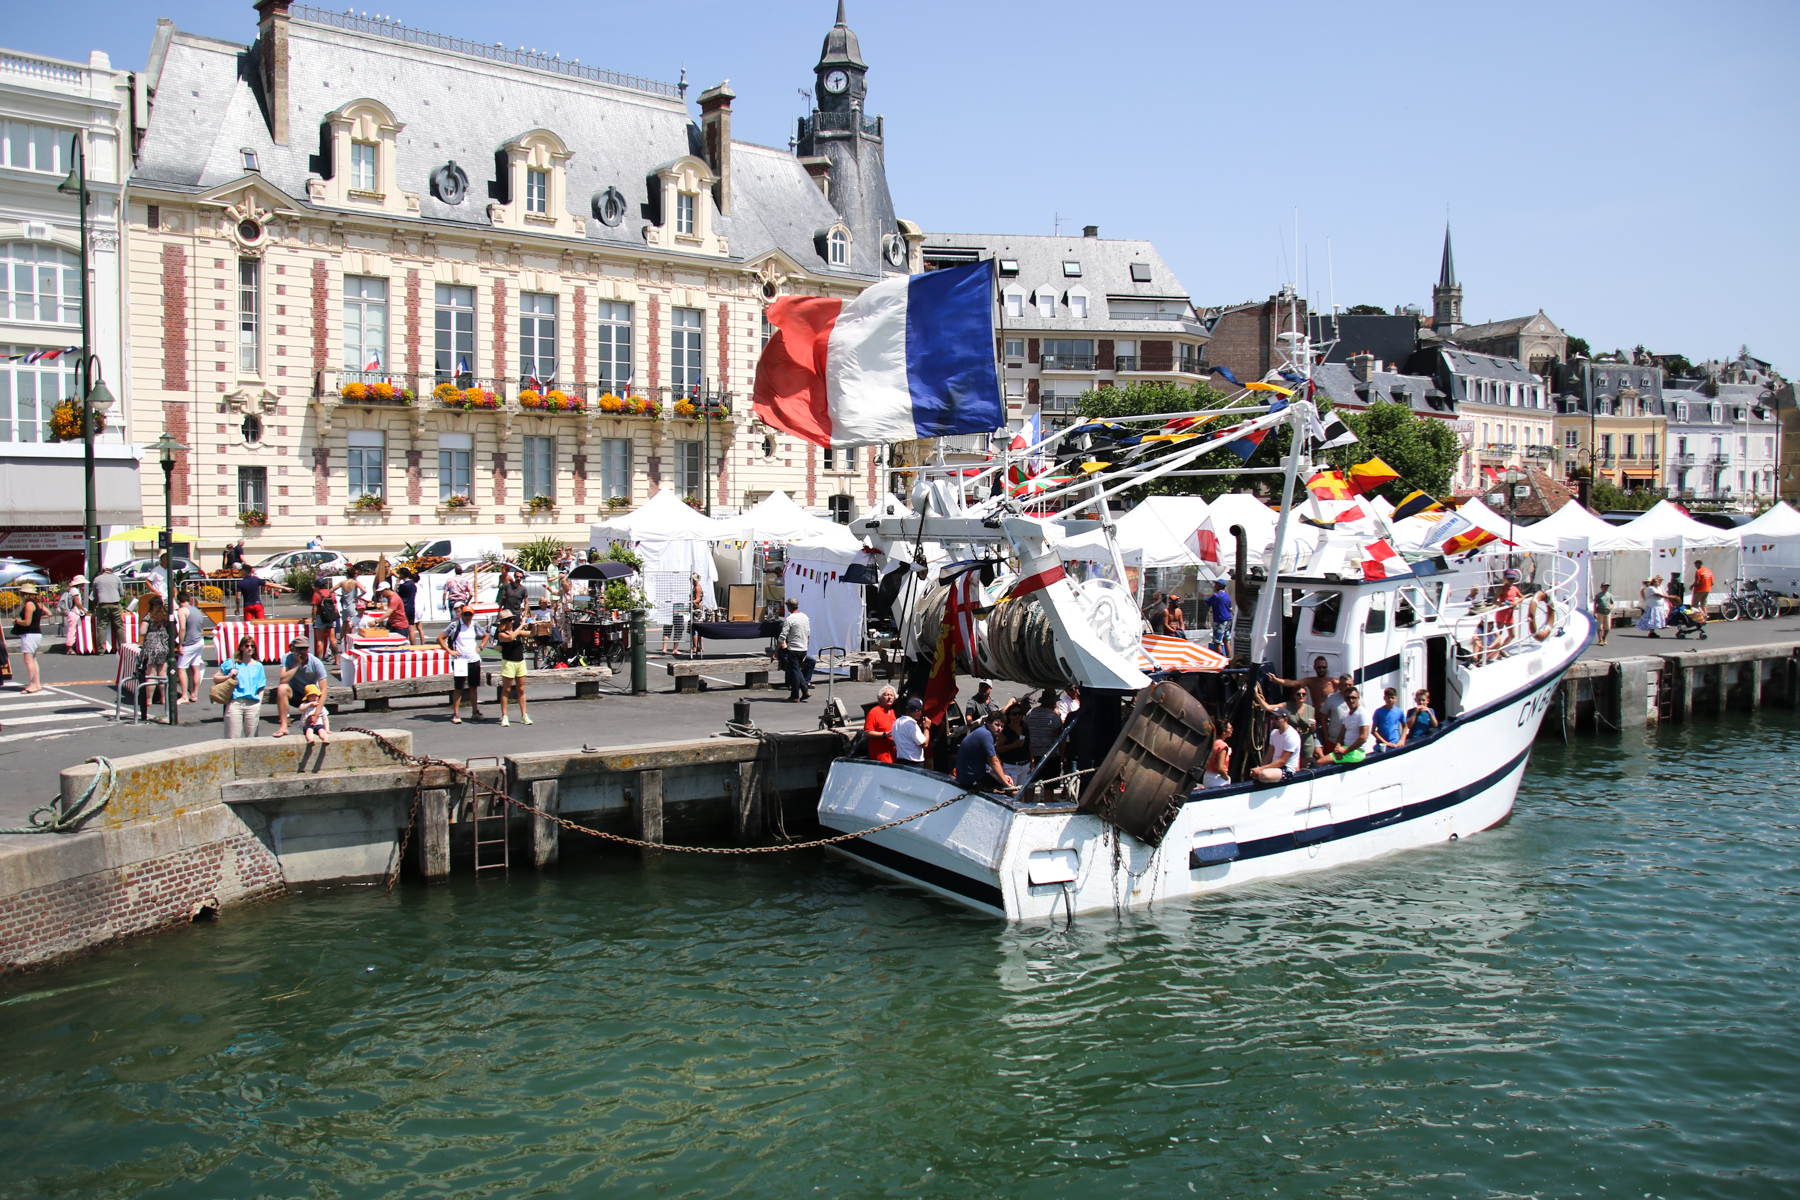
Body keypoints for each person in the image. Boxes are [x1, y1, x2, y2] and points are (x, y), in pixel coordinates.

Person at [273, 635, 329, 737]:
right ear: (293, 649)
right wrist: (297, 663)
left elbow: (324, 689)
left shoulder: (316, 663)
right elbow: (283, 679)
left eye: (304, 649)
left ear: (308, 649)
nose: (302, 652)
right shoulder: (287, 658)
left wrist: (316, 714)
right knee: (282, 688)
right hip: (295, 694)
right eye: (299, 649)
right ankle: (284, 725)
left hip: (310, 697)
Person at [216, 634, 266, 738]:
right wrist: (229, 675)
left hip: (252, 703)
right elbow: (216, 678)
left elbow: (261, 687)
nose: (249, 649)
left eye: (252, 646)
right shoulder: (232, 663)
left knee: (251, 739)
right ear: (241, 647)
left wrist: (259, 703)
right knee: (232, 738)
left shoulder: (258, 666)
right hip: (236, 702)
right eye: (247, 646)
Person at [1256, 680, 1315, 762]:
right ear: (1294, 695)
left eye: (1304, 694)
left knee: (1303, 769)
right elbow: (1268, 708)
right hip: (1291, 739)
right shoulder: (1287, 705)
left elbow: (1313, 729)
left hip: (1306, 741)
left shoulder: (1311, 709)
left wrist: (1313, 727)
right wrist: (1256, 695)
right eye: (1298, 694)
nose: (1301, 696)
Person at [955, 712, 1014, 791]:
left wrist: (1003, 776)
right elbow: (993, 761)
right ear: (988, 723)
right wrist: (1006, 783)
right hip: (972, 779)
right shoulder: (986, 735)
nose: (999, 728)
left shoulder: (982, 731)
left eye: (1002, 726)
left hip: (965, 777)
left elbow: (990, 764)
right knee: (1013, 792)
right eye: (997, 725)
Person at [494, 613, 532, 727]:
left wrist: (532, 625)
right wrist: (521, 625)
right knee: (506, 690)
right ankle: (504, 716)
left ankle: (524, 714)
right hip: (509, 663)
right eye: (510, 619)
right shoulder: (501, 634)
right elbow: (510, 638)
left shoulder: (517, 632)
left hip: (520, 662)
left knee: (521, 689)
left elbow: (532, 634)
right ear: (504, 622)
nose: (512, 621)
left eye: (512, 619)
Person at [175, 589, 209, 704]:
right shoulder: (197, 610)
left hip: (189, 642)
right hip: (199, 640)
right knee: (195, 668)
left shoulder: (182, 611)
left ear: (179, 601)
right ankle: (194, 694)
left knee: (181, 669)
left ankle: (184, 695)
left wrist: (180, 644)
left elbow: (182, 628)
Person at [1250, 709, 1302, 783]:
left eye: (1277, 718)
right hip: (1274, 768)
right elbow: (1269, 755)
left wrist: (1261, 770)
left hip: (1287, 769)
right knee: (1255, 774)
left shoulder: (1291, 736)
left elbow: (1282, 761)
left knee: (1263, 775)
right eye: (1272, 718)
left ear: (1285, 719)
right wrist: (1259, 768)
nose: (1274, 721)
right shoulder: (1274, 733)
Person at [138, 596, 172, 711]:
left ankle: (148, 700)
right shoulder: (166, 616)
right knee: (162, 674)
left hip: (151, 647)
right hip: (163, 646)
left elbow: (142, 632)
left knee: (151, 675)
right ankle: (163, 698)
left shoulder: (148, 616)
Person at [777, 598, 813, 702]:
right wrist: (806, 647)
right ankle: (805, 691)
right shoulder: (805, 617)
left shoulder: (790, 618)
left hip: (794, 648)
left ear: (789, 606)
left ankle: (795, 695)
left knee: (795, 671)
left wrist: (775, 651)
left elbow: (782, 636)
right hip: (802, 648)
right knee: (797, 670)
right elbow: (808, 634)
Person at [11, 583, 45, 693]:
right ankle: (37, 683)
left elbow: (27, 622)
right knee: (33, 659)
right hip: (35, 633)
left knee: (28, 660)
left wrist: (16, 621)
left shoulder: (29, 604)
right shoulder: (37, 604)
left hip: (30, 634)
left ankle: (32, 684)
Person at [1023, 689, 1065, 765]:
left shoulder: (1030, 713)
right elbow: (1060, 738)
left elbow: (1024, 730)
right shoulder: (1054, 717)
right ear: (1053, 703)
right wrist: (1062, 755)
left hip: (1032, 753)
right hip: (1051, 755)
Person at [90, 564, 125, 654]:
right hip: (115, 604)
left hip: (103, 605)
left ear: (103, 570)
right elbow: (122, 593)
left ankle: (101, 650)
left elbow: (94, 595)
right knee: (119, 627)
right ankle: (123, 647)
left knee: (101, 627)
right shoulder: (116, 578)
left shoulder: (97, 579)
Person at [995, 701, 1032, 778]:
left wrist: (1032, 760)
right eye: (1014, 714)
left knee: (1025, 789)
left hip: (1025, 764)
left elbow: (1029, 746)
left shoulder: (1025, 730)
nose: (1017, 716)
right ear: (1009, 716)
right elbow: (998, 748)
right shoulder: (1006, 731)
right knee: (1012, 789)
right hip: (1011, 766)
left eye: (1019, 713)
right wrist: (1014, 745)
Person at [1334, 686, 1371, 764]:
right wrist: (1338, 748)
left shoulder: (1363, 713)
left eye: (1353, 698)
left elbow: (1363, 738)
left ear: (1358, 697)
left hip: (1357, 752)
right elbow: (1341, 734)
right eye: (1348, 698)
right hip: (1346, 749)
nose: (1351, 700)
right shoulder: (1347, 713)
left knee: (1320, 762)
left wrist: (1346, 751)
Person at [863, 686, 898, 763]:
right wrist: (885, 735)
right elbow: (866, 733)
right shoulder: (874, 712)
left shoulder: (892, 712)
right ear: (880, 697)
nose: (889, 697)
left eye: (891, 695)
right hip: (880, 759)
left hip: (893, 756)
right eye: (886, 695)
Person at [1492, 568, 1524, 648]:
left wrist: (1516, 602)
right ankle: (1495, 651)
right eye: (1509, 578)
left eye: (1512, 578)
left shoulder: (1515, 589)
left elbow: (1522, 597)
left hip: (1509, 616)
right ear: (1504, 578)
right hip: (1502, 615)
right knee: (1498, 635)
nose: (1511, 580)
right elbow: (1494, 601)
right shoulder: (1501, 589)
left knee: (1512, 635)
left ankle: (1501, 649)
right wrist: (1503, 604)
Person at [891, 697, 928, 763]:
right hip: (913, 762)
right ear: (916, 712)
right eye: (920, 710)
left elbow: (894, 742)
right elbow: (924, 744)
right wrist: (926, 727)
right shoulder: (912, 725)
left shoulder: (897, 722)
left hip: (901, 761)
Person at [312, 576, 341, 662]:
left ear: (318, 586)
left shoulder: (316, 594)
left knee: (320, 641)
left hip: (320, 617)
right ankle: (336, 660)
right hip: (330, 618)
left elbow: (315, 609)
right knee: (333, 639)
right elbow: (335, 606)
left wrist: (313, 619)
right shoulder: (331, 593)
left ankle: (318, 661)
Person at [1371, 687, 1406, 753]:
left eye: (1392, 698)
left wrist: (1402, 739)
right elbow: (1373, 731)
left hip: (1396, 743)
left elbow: (1405, 726)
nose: (1390, 700)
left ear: (1396, 699)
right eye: (1388, 697)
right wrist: (1386, 743)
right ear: (1384, 698)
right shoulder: (1378, 712)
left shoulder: (1399, 711)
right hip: (1382, 745)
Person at [1202, 719, 1233, 787]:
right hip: (1217, 778)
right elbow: (1220, 768)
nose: (1232, 730)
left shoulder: (1211, 743)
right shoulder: (1222, 746)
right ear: (1224, 731)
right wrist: (1227, 778)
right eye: (1230, 728)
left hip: (1207, 776)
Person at [395, 569, 421, 645]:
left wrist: (397, 583)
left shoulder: (404, 585)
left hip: (404, 608)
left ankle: (404, 644)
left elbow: (396, 594)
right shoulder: (413, 585)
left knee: (404, 629)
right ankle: (413, 646)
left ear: (402, 575)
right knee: (411, 629)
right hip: (411, 607)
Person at [1207, 582, 1234, 653]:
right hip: (1228, 620)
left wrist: (1205, 597)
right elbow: (1230, 608)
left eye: (1216, 585)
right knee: (1226, 640)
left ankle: (1220, 658)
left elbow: (1207, 602)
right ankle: (1229, 658)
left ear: (1220, 586)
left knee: (1217, 642)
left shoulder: (1216, 596)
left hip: (1220, 621)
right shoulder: (1227, 596)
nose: (1214, 586)